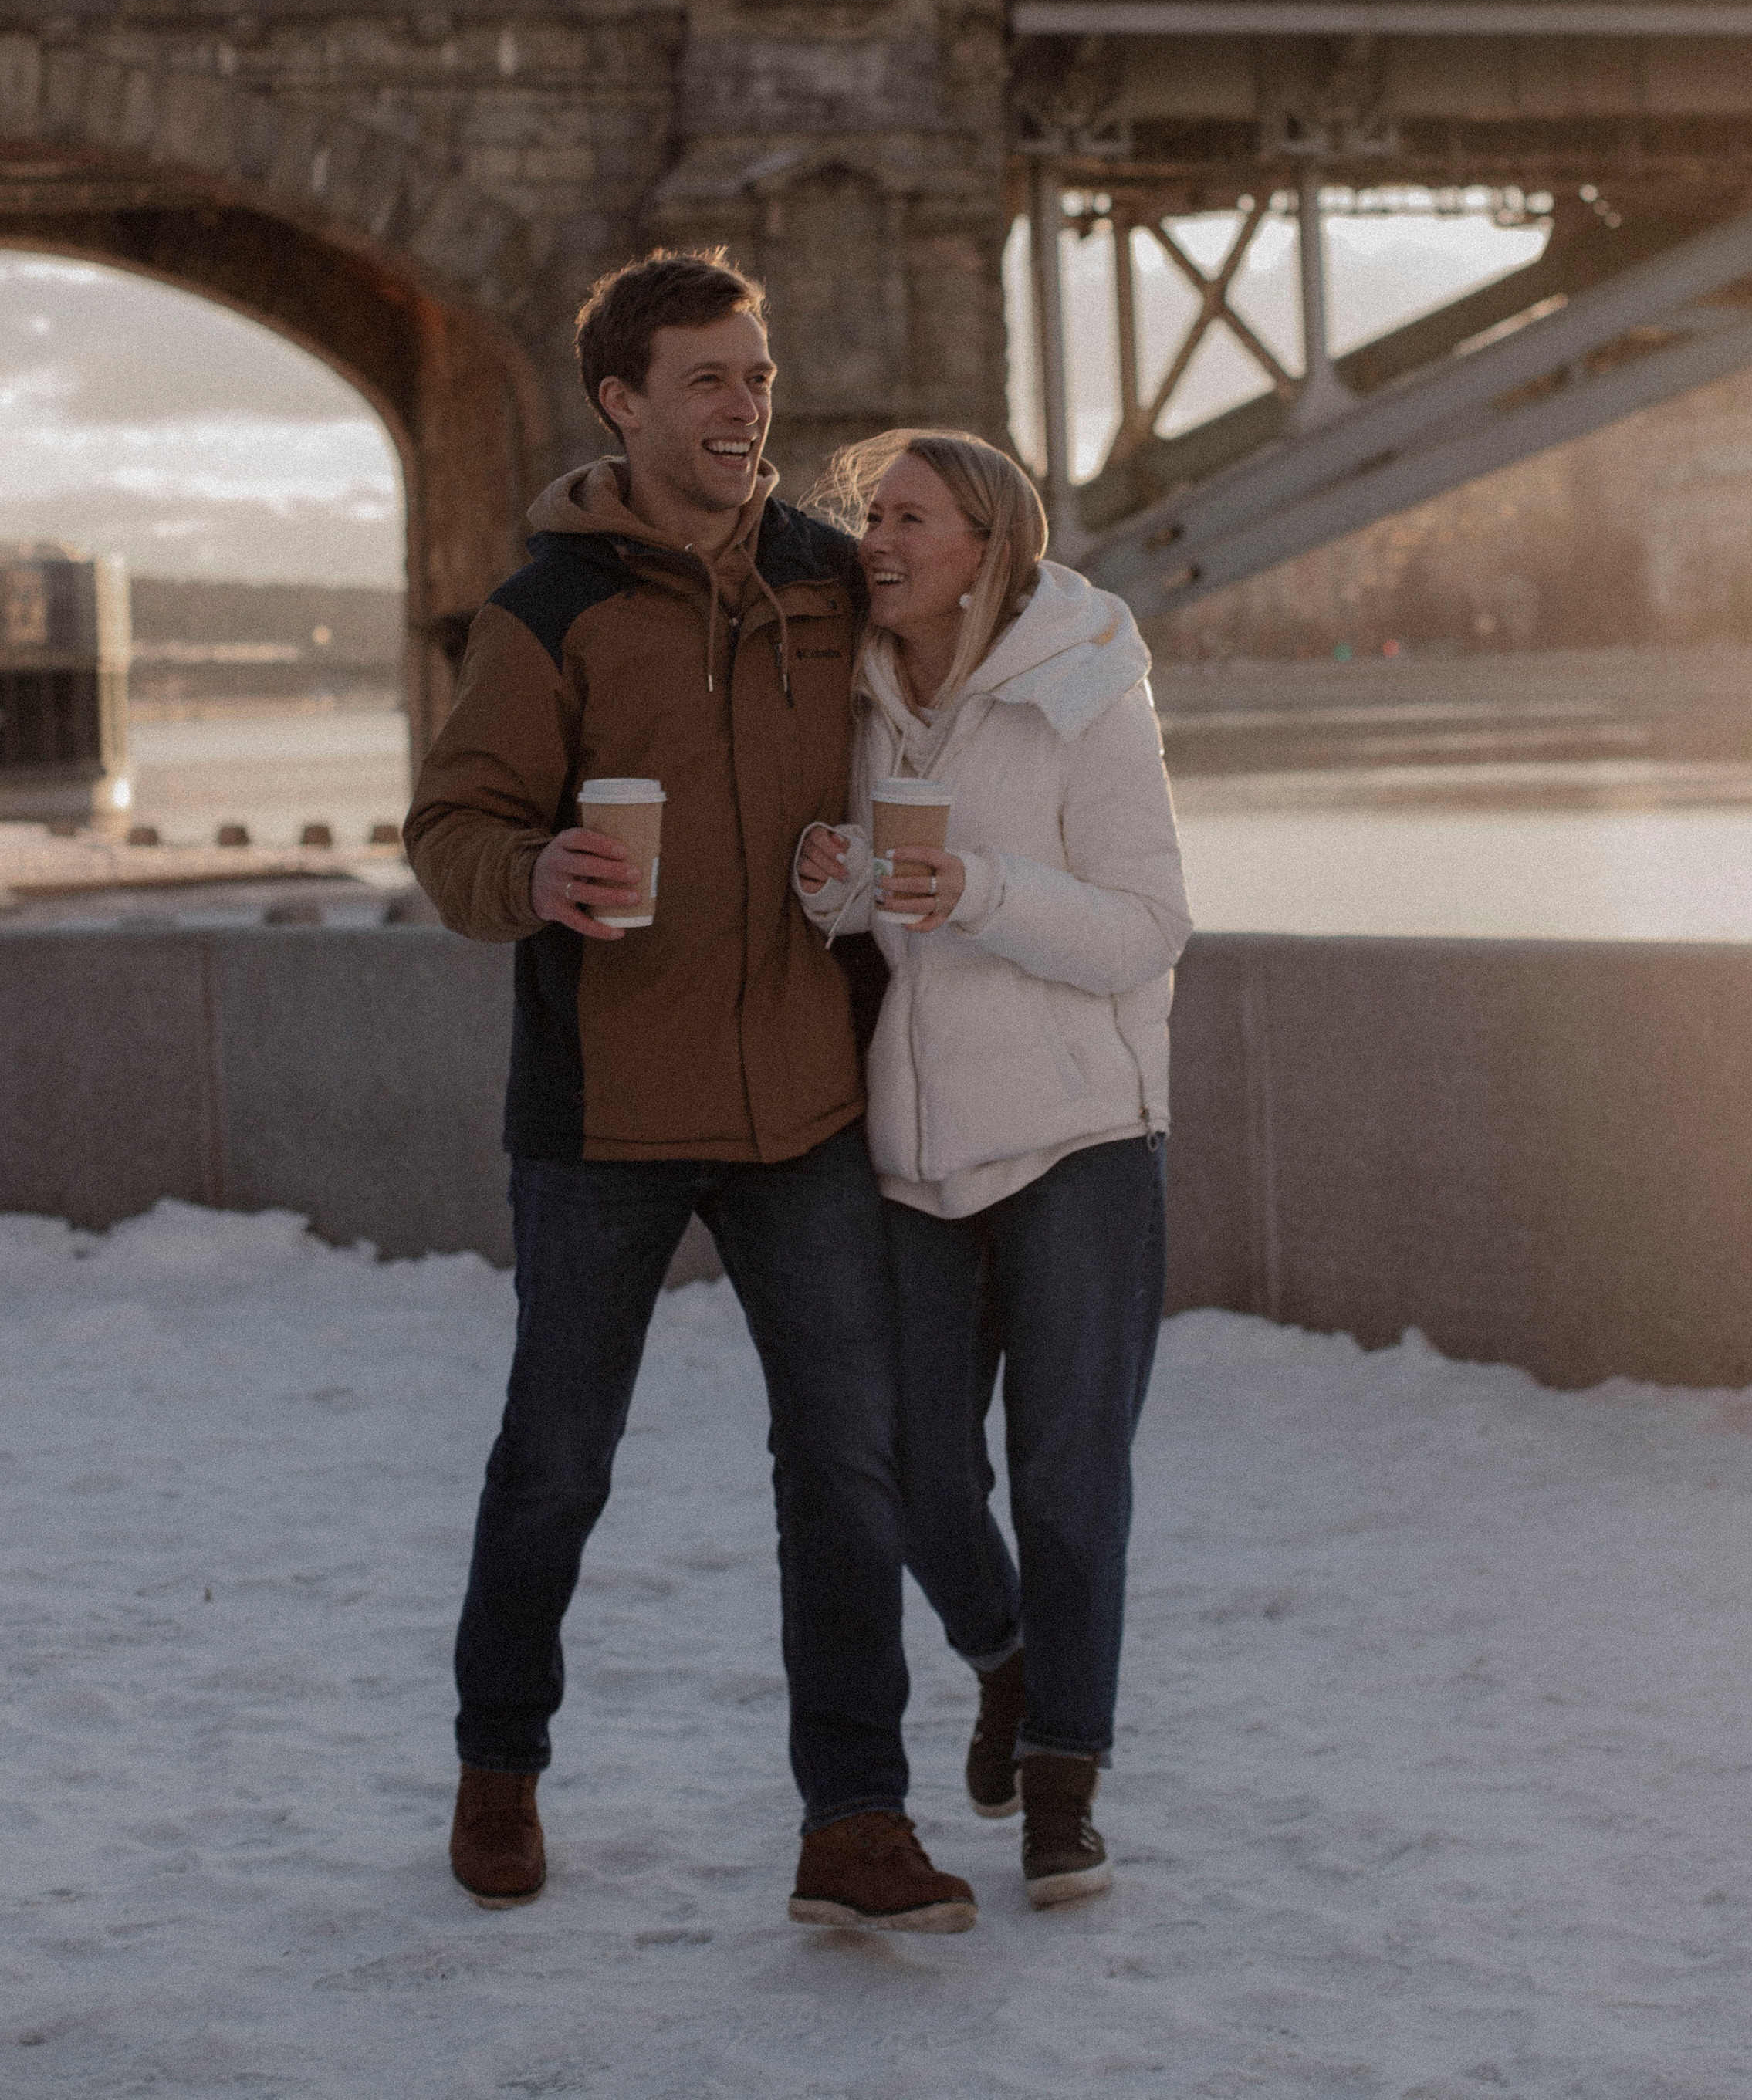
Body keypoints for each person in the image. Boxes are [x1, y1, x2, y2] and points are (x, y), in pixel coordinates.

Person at [404, 252, 973, 1936]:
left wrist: (876, 867)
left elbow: (985, 637)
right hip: (604, 1116)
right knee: (557, 1463)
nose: (746, 410)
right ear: (624, 404)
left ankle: (854, 1824)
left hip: (801, 1101)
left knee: (845, 1467)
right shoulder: (547, 613)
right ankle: (499, 1765)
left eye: (756, 375)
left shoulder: (833, 581)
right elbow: (451, 836)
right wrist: (540, 871)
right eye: (708, 381)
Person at [796, 431, 1192, 1909]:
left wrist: (980, 890)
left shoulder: (1089, 689)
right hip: (914, 1152)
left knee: (1071, 1479)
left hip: (1081, 1136)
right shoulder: (857, 697)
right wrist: (836, 889)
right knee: (906, 1472)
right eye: (868, 519)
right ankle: (1011, 1662)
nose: (874, 542)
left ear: (988, 546)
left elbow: (1149, 925)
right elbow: (862, 920)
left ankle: (1063, 1791)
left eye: (906, 519)